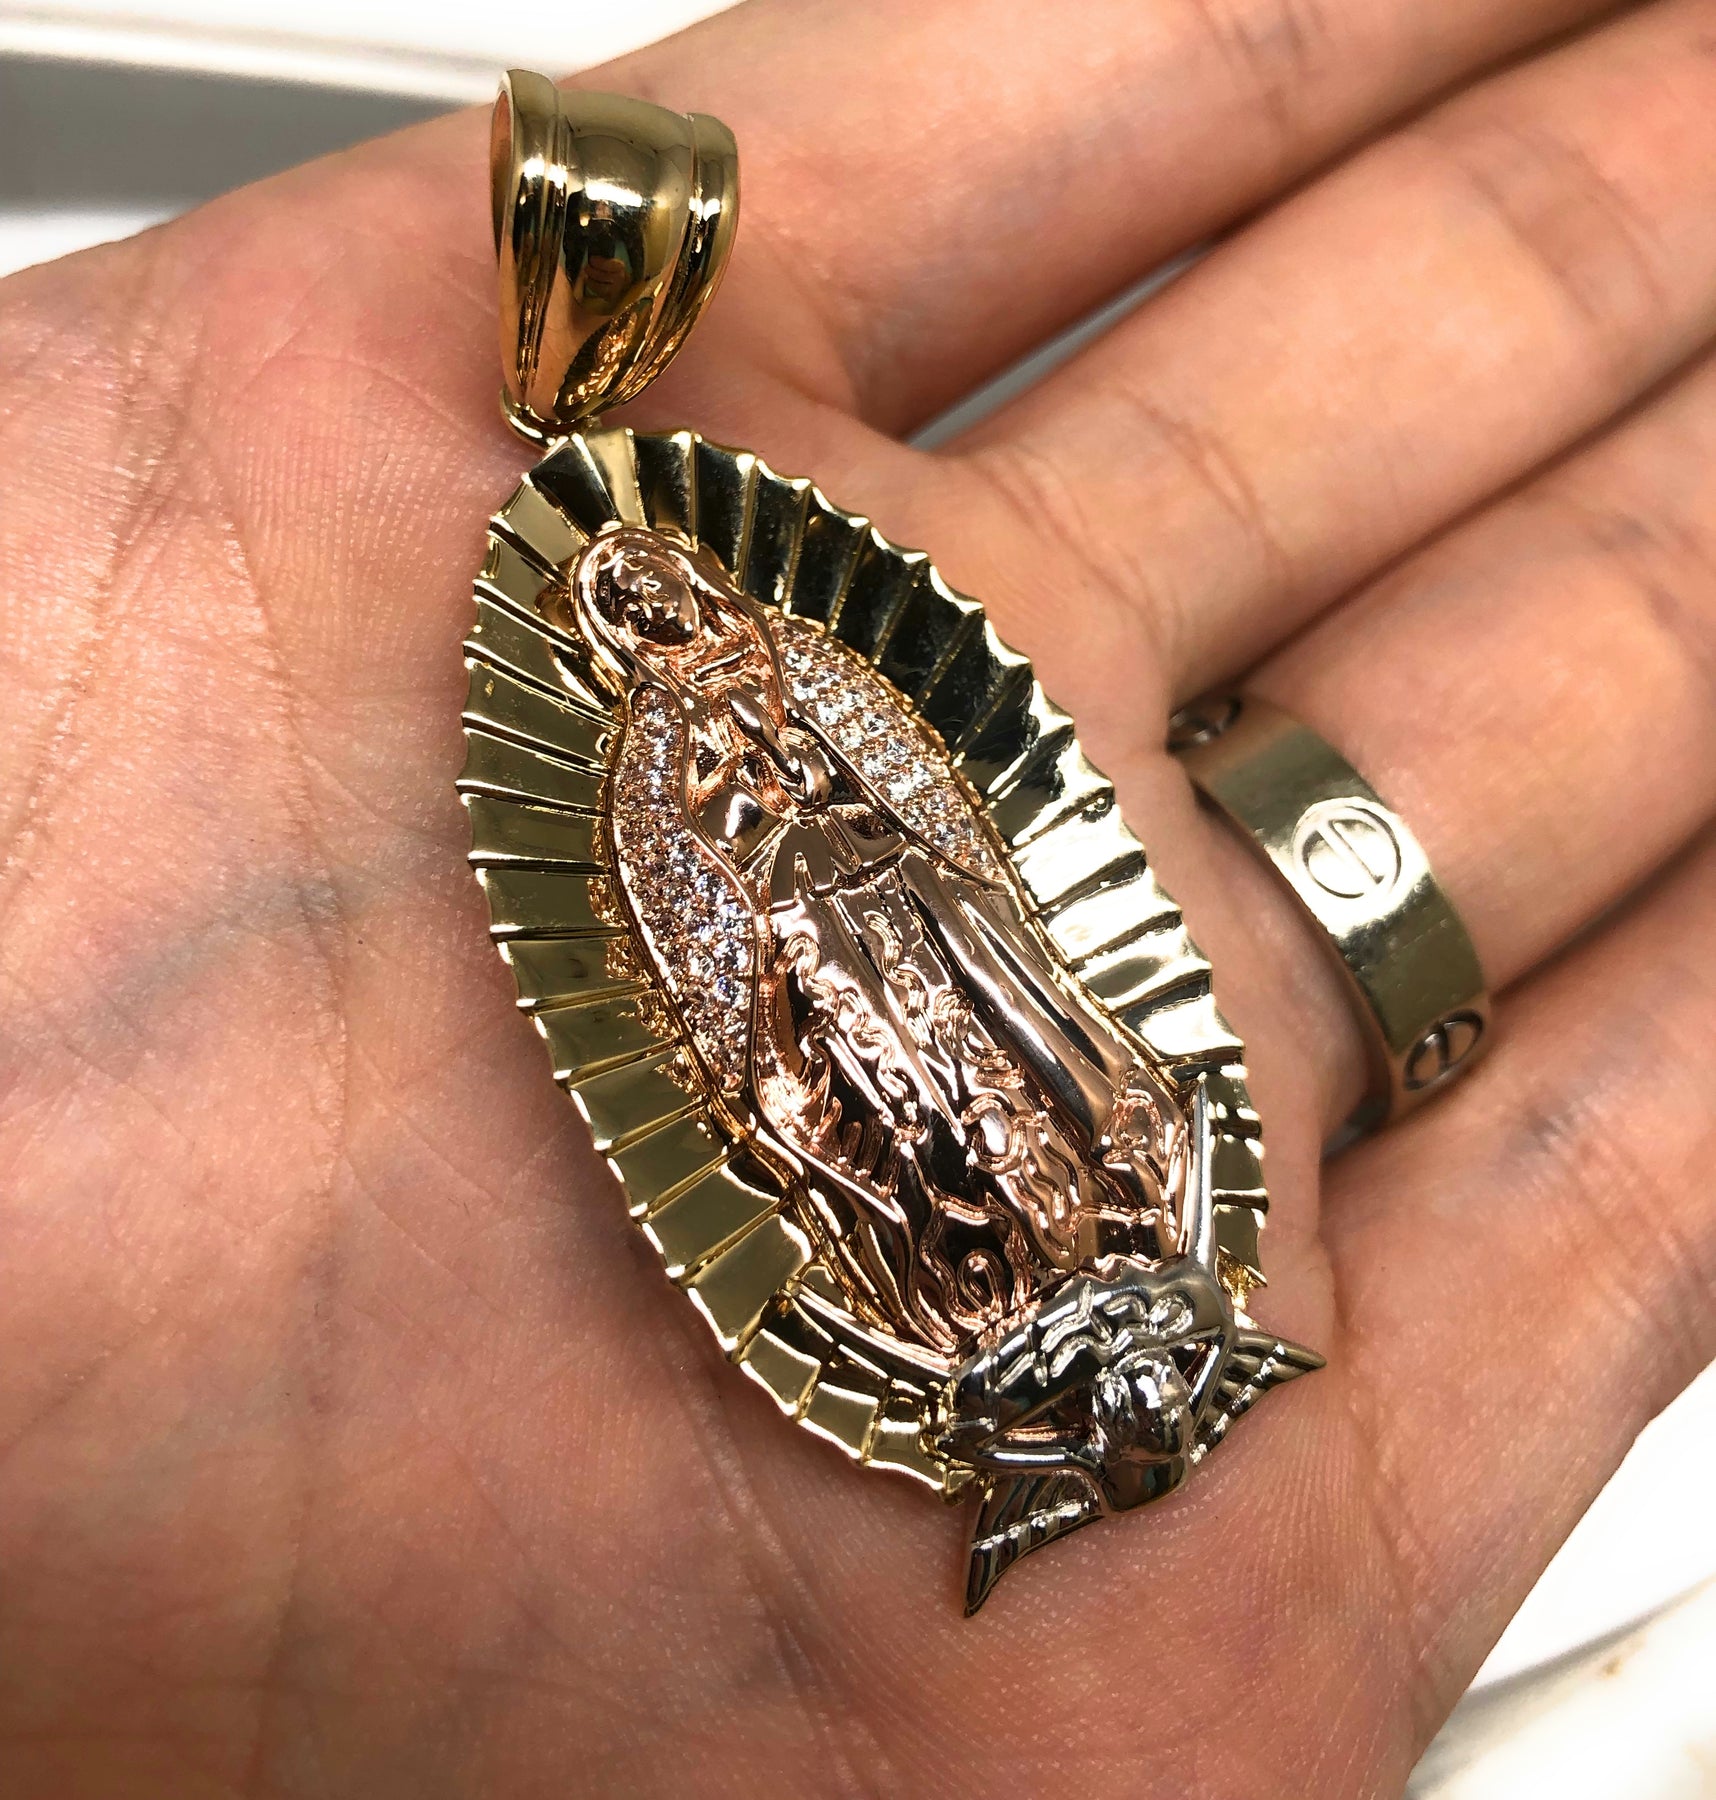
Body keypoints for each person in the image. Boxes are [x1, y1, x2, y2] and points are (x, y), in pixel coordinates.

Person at [1, 1, 1713, 1793]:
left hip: (925, 920)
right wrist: (777, 975)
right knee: (888, 1100)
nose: (669, 626)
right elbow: (702, 963)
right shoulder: (649, 758)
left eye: (676, 606)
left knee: (1005, 1030)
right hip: (813, 978)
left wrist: (911, 882)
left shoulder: (789, 683)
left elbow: (956, 844)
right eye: (641, 622)